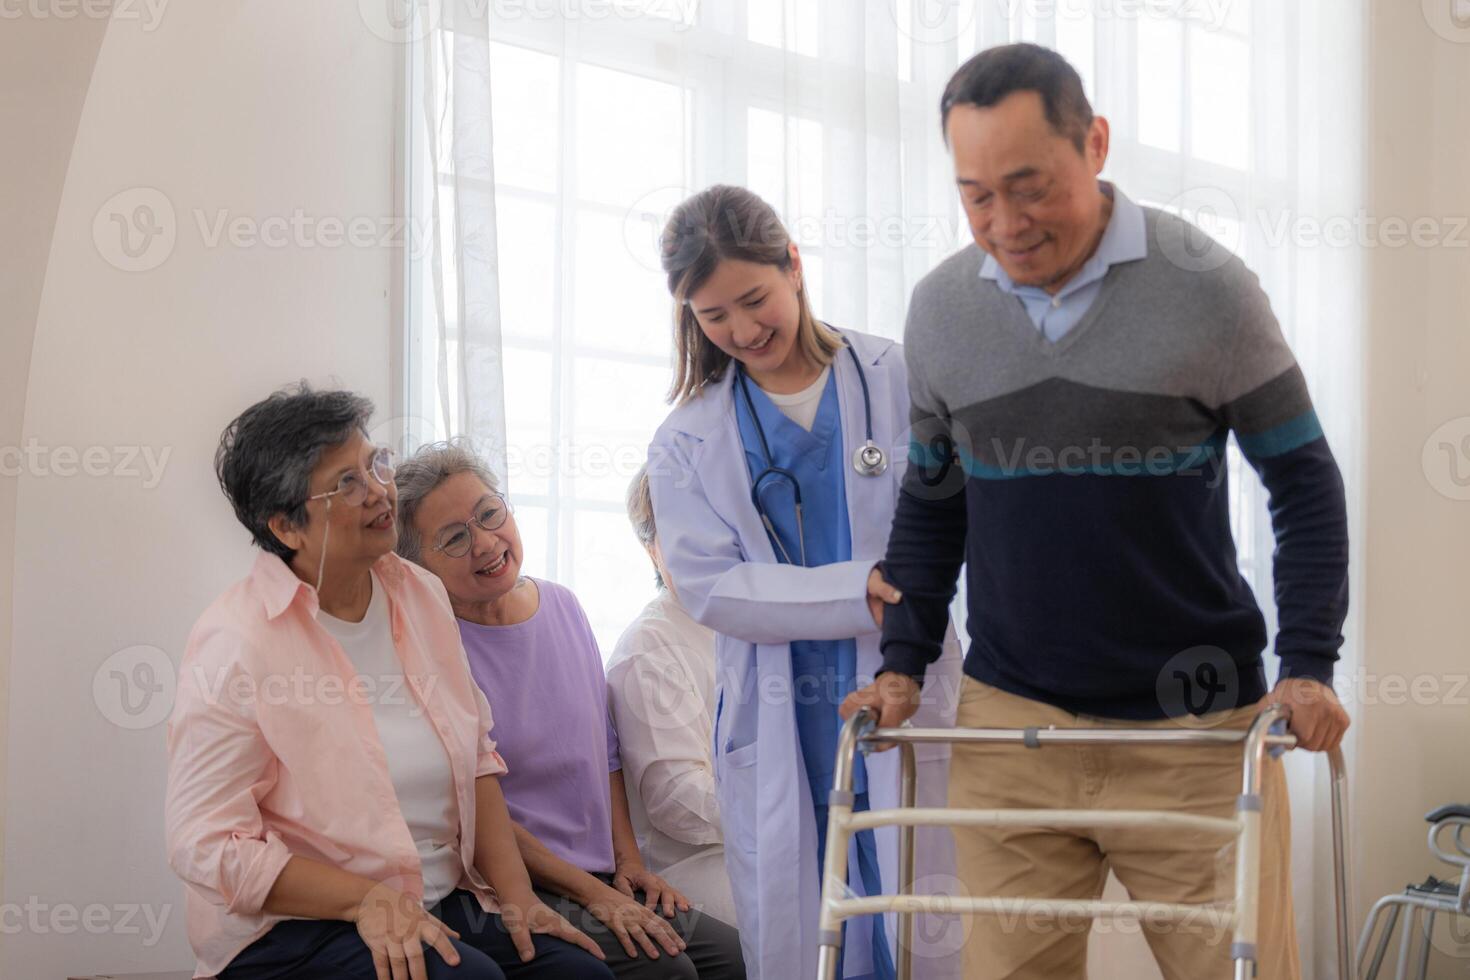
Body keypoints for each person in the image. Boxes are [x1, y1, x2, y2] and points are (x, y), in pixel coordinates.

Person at [842, 44, 1352, 980]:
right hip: (1013, 725)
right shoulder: (942, 310)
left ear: (1098, 144)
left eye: (1029, 185)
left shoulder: (1209, 290)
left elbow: (1304, 483)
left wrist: (1310, 662)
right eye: (976, 194)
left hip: (1194, 733)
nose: (1006, 221)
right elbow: (933, 497)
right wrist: (903, 663)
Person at [166, 384, 610, 980]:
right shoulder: (238, 640)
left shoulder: (419, 593)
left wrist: (519, 899)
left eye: (374, 463)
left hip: (438, 897)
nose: (378, 490)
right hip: (300, 930)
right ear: (287, 526)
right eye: (345, 483)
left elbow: (476, 757)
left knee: (580, 974)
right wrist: (363, 899)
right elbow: (203, 842)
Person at [645, 185, 964, 980]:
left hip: (904, 684)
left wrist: (890, 589)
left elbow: (958, 520)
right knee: (805, 936)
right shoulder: (688, 437)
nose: (743, 330)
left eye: (755, 300)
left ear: (793, 265)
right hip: (776, 709)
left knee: (921, 925)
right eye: (713, 315)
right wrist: (862, 586)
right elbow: (711, 586)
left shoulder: (898, 377)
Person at [394, 441, 747, 980]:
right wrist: (595, 894)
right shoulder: (434, 648)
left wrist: (627, 864)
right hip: (508, 881)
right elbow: (476, 810)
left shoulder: (563, 604)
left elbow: (603, 754)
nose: (486, 543)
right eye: (455, 538)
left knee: (732, 958)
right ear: (419, 566)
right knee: (665, 971)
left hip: (600, 872)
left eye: (490, 513)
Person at [605, 466, 738, 926]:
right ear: (653, 550)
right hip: (690, 867)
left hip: (755, 843)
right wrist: (783, 815)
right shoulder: (649, 650)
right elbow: (677, 802)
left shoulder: (747, 626)